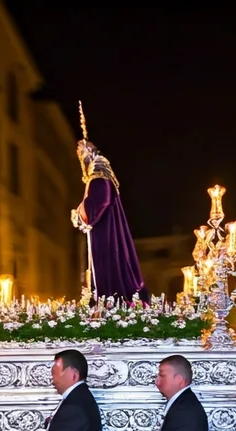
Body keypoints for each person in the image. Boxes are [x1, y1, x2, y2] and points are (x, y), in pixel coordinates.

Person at [71, 101, 148, 300]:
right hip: (103, 232)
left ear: (91, 154)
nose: (80, 159)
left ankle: (111, 302)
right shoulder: (99, 176)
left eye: (82, 154)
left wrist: (80, 214)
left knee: (106, 270)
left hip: (104, 236)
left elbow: (99, 202)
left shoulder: (99, 175)